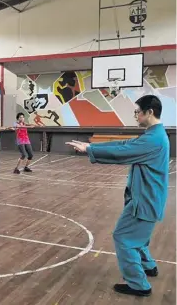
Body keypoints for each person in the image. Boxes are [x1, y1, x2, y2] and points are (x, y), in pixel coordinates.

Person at [66, 95, 169, 297]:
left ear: (150, 112)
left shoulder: (154, 139)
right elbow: (124, 144)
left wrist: (90, 150)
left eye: (138, 111)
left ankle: (139, 285)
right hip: (148, 198)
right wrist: (91, 147)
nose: (136, 115)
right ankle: (148, 266)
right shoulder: (153, 135)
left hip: (145, 200)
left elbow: (123, 152)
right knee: (139, 236)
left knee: (123, 237)